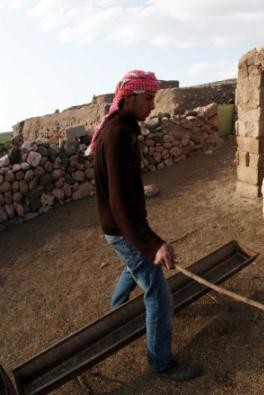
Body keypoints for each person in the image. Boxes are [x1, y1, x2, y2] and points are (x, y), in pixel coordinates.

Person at [89, 70, 201, 381]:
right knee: (159, 295)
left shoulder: (120, 129)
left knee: (134, 265)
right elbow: (120, 202)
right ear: (129, 97)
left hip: (120, 228)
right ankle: (161, 363)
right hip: (122, 229)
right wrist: (153, 243)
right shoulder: (117, 136)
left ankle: (116, 311)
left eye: (155, 98)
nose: (154, 105)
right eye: (149, 98)